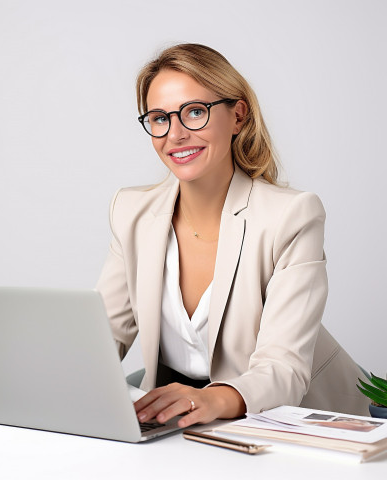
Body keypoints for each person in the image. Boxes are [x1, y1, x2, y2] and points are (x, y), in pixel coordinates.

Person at [96, 43, 369, 429]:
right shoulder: (131, 213)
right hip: (193, 420)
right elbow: (100, 338)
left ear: (237, 115)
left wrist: (207, 399)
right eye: (159, 118)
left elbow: (283, 368)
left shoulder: (291, 216)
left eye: (194, 112)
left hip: (300, 419)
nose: (174, 134)